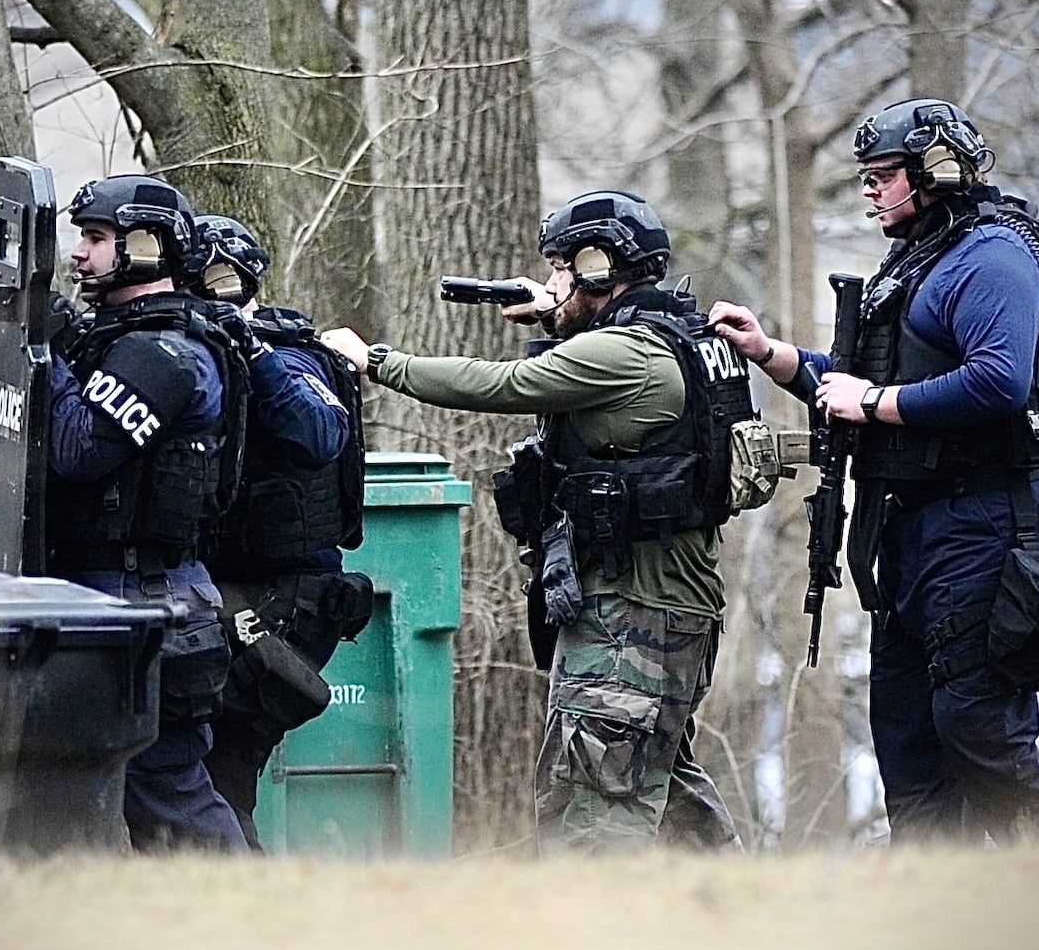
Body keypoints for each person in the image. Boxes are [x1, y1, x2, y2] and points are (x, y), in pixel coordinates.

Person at [708, 98, 1039, 844]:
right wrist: (770, 353)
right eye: (868, 177)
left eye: (884, 176)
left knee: (980, 729)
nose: (870, 190)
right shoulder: (922, 258)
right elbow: (855, 382)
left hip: (990, 526)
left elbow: (998, 381)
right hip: (916, 532)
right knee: (908, 738)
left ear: (938, 172)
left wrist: (874, 401)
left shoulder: (994, 256)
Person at [320, 190, 746, 853]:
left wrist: (375, 361)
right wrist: (563, 314)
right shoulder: (683, 338)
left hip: (628, 618)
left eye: (561, 268)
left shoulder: (624, 355)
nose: (550, 284)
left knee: (593, 811)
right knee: (664, 799)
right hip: (670, 613)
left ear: (601, 265)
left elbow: (499, 384)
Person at [44, 173, 249, 853]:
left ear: (146, 248)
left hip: (146, 602)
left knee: (170, 796)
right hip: (128, 599)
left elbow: (77, 448)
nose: (79, 254)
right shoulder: (130, 341)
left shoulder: (162, 353)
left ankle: (263, 924)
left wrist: (43, 361)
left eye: (97, 239)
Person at [185, 214, 374, 851]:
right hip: (217, 592)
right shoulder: (182, 356)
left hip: (283, 603)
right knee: (193, 770)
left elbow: (321, 432)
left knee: (218, 771)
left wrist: (252, 349)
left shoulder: (286, 355)